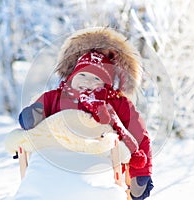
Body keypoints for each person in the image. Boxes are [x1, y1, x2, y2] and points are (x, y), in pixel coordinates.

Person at [18, 28, 154, 200]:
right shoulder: (56, 97)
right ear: (70, 77)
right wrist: (34, 114)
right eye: (82, 74)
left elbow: (139, 134)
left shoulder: (116, 103)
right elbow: (39, 109)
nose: (87, 81)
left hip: (99, 162)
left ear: (107, 85)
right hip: (54, 161)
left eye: (97, 79)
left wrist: (141, 173)